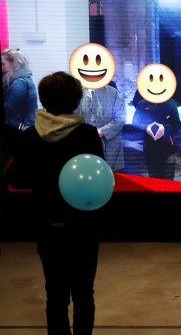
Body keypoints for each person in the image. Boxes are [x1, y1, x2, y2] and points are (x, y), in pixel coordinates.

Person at [4, 71, 105, 335]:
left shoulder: (30, 137)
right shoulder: (87, 134)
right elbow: (99, 178)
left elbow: (17, 179)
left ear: (43, 99)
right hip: (84, 225)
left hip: (47, 224)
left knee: (55, 296)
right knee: (84, 294)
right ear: (76, 99)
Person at [76, 84, 126, 171]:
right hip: (86, 146)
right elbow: (74, 119)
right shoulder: (77, 95)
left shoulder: (114, 93)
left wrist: (102, 131)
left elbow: (120, 118)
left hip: (110, 148)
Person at [132, 95, 181, 180]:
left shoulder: (170, 103)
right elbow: (135, 122)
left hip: (168, 148)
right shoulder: (142, 104)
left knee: (168, 179)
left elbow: (177, 124)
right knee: (154, 178)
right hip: (150, 148)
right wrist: (146, 127)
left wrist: (165, 128)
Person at [2, 48, 38, 131]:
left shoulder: (19, 83)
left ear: (14, 63)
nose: (2, 67)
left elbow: (9, 108)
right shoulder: (23, 80)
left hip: (18, 128)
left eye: (3, 64)